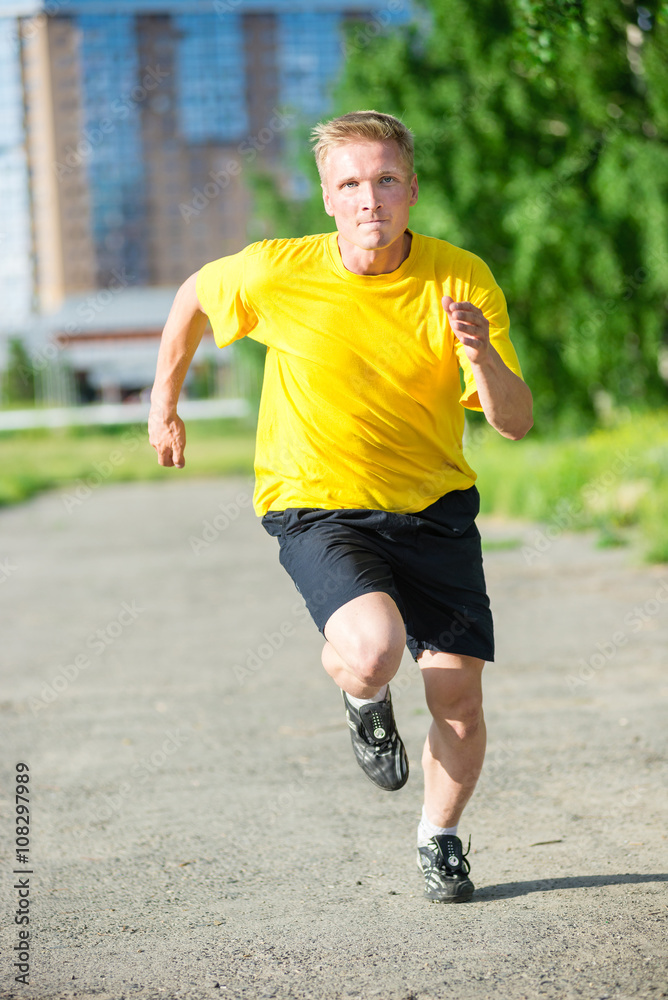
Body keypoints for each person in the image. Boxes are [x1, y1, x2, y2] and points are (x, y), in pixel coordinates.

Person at [149, 110, 533, 904]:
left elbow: (515, 421)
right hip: (317, 503)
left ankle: (441, 839)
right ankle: (363, 698)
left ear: (412, 189)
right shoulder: (278, 271)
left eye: (386, 180)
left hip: (435, 507)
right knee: (373, 648)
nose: (371, 200)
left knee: (457, 698)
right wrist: (165, 400)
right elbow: (194, 293)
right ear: (326, 197)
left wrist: (483, 353)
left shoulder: (459, 278)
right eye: (351, 184)